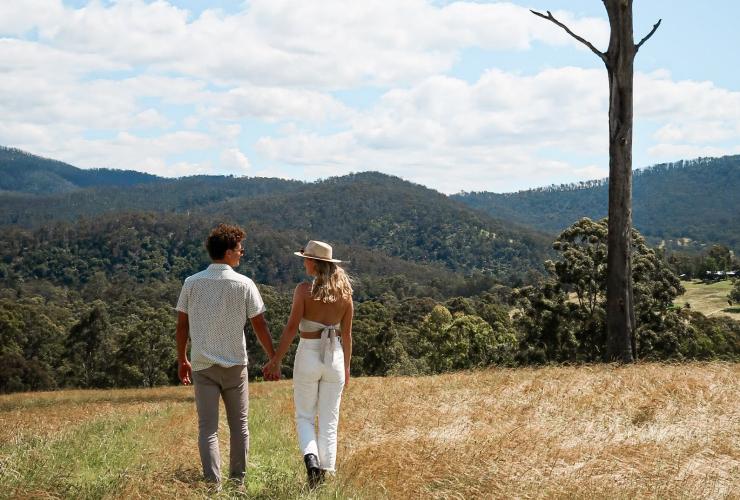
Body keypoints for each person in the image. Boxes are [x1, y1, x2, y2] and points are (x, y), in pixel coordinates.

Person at [175, 223, 277, 488]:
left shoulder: (191, 283)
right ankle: (238, 484)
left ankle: (212, 485)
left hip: (202, 365)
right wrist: (273, 358)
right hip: (235, 366)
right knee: (239, 427)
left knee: (208, 429)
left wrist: (182, 359)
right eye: (240, 249)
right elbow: (260, 325)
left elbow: (182, 326)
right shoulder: (244, 284)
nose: (241, 253)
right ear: (229, 252)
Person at [263, 240, 353, 488]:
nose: (303, 262)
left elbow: (292, 328)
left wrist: (275, 360)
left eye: (305, 259)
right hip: (334, 357)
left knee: (304, 416)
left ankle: (311, 460)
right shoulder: (345, 294)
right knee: (329, 421)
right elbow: (347, 335)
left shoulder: (303, 290)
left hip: (309, 354)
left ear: (314, 263)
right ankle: (328, 477)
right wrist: (346, 368)